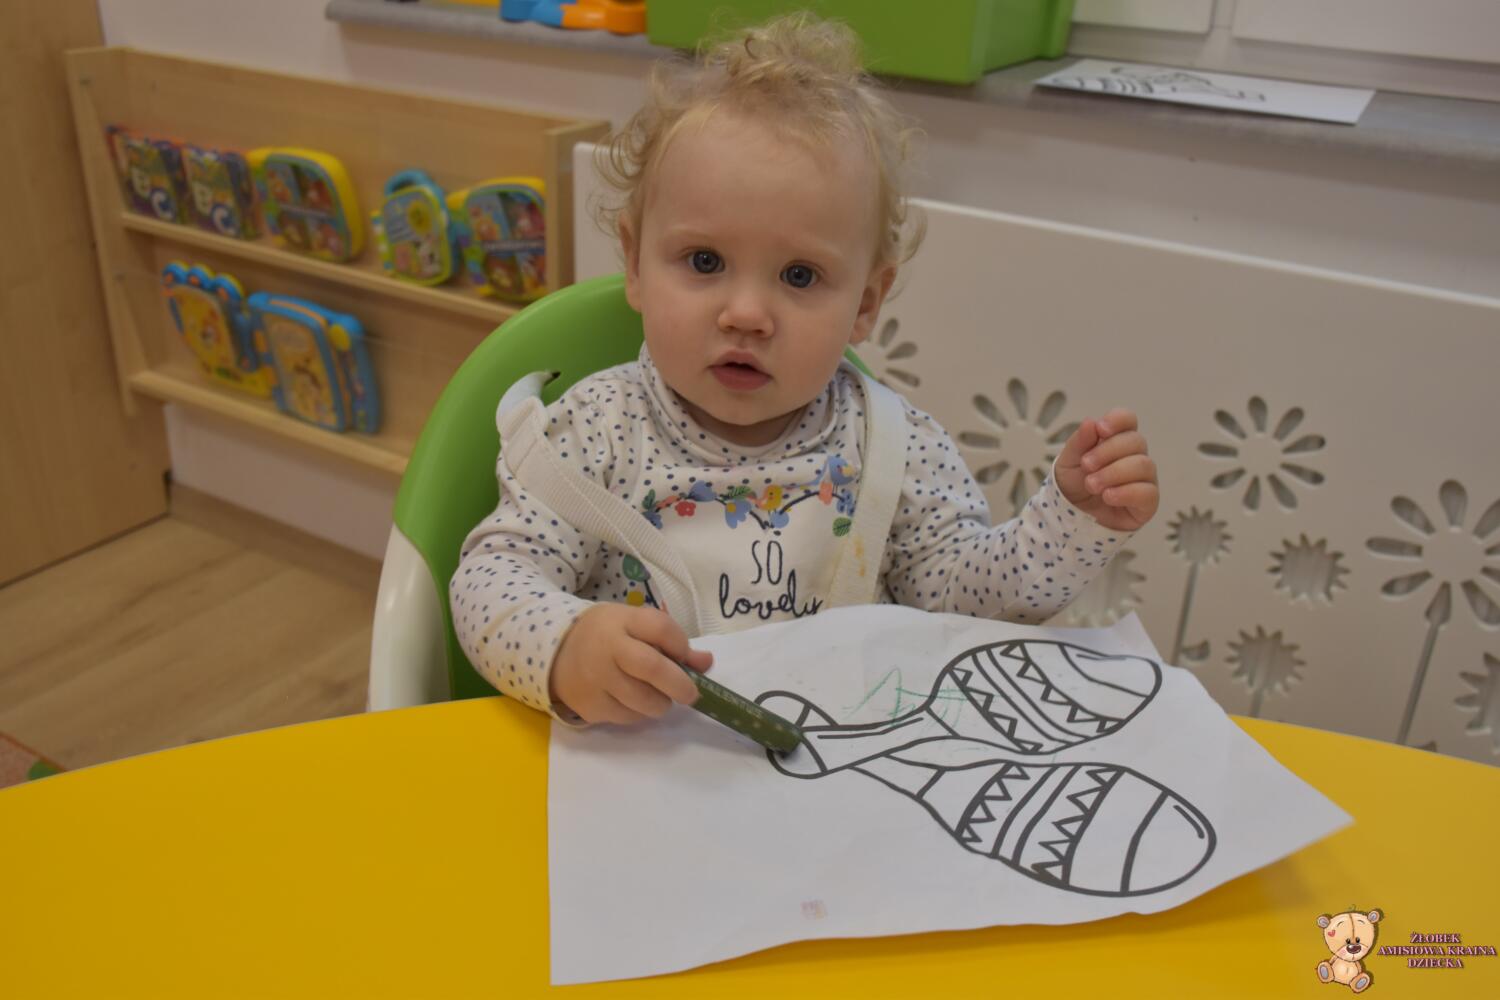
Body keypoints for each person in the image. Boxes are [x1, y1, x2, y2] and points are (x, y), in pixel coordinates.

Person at [450, 14, 1159, 726]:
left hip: (840, 768)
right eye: (705, 261)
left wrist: (1069, 525)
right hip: (644, 763)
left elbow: (961, 607)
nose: (746, 314)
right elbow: (489, 580)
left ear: (865, 304)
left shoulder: (896, 449)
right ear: (634, 263)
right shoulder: (594, 433)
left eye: (799, 275)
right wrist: (564, 644)